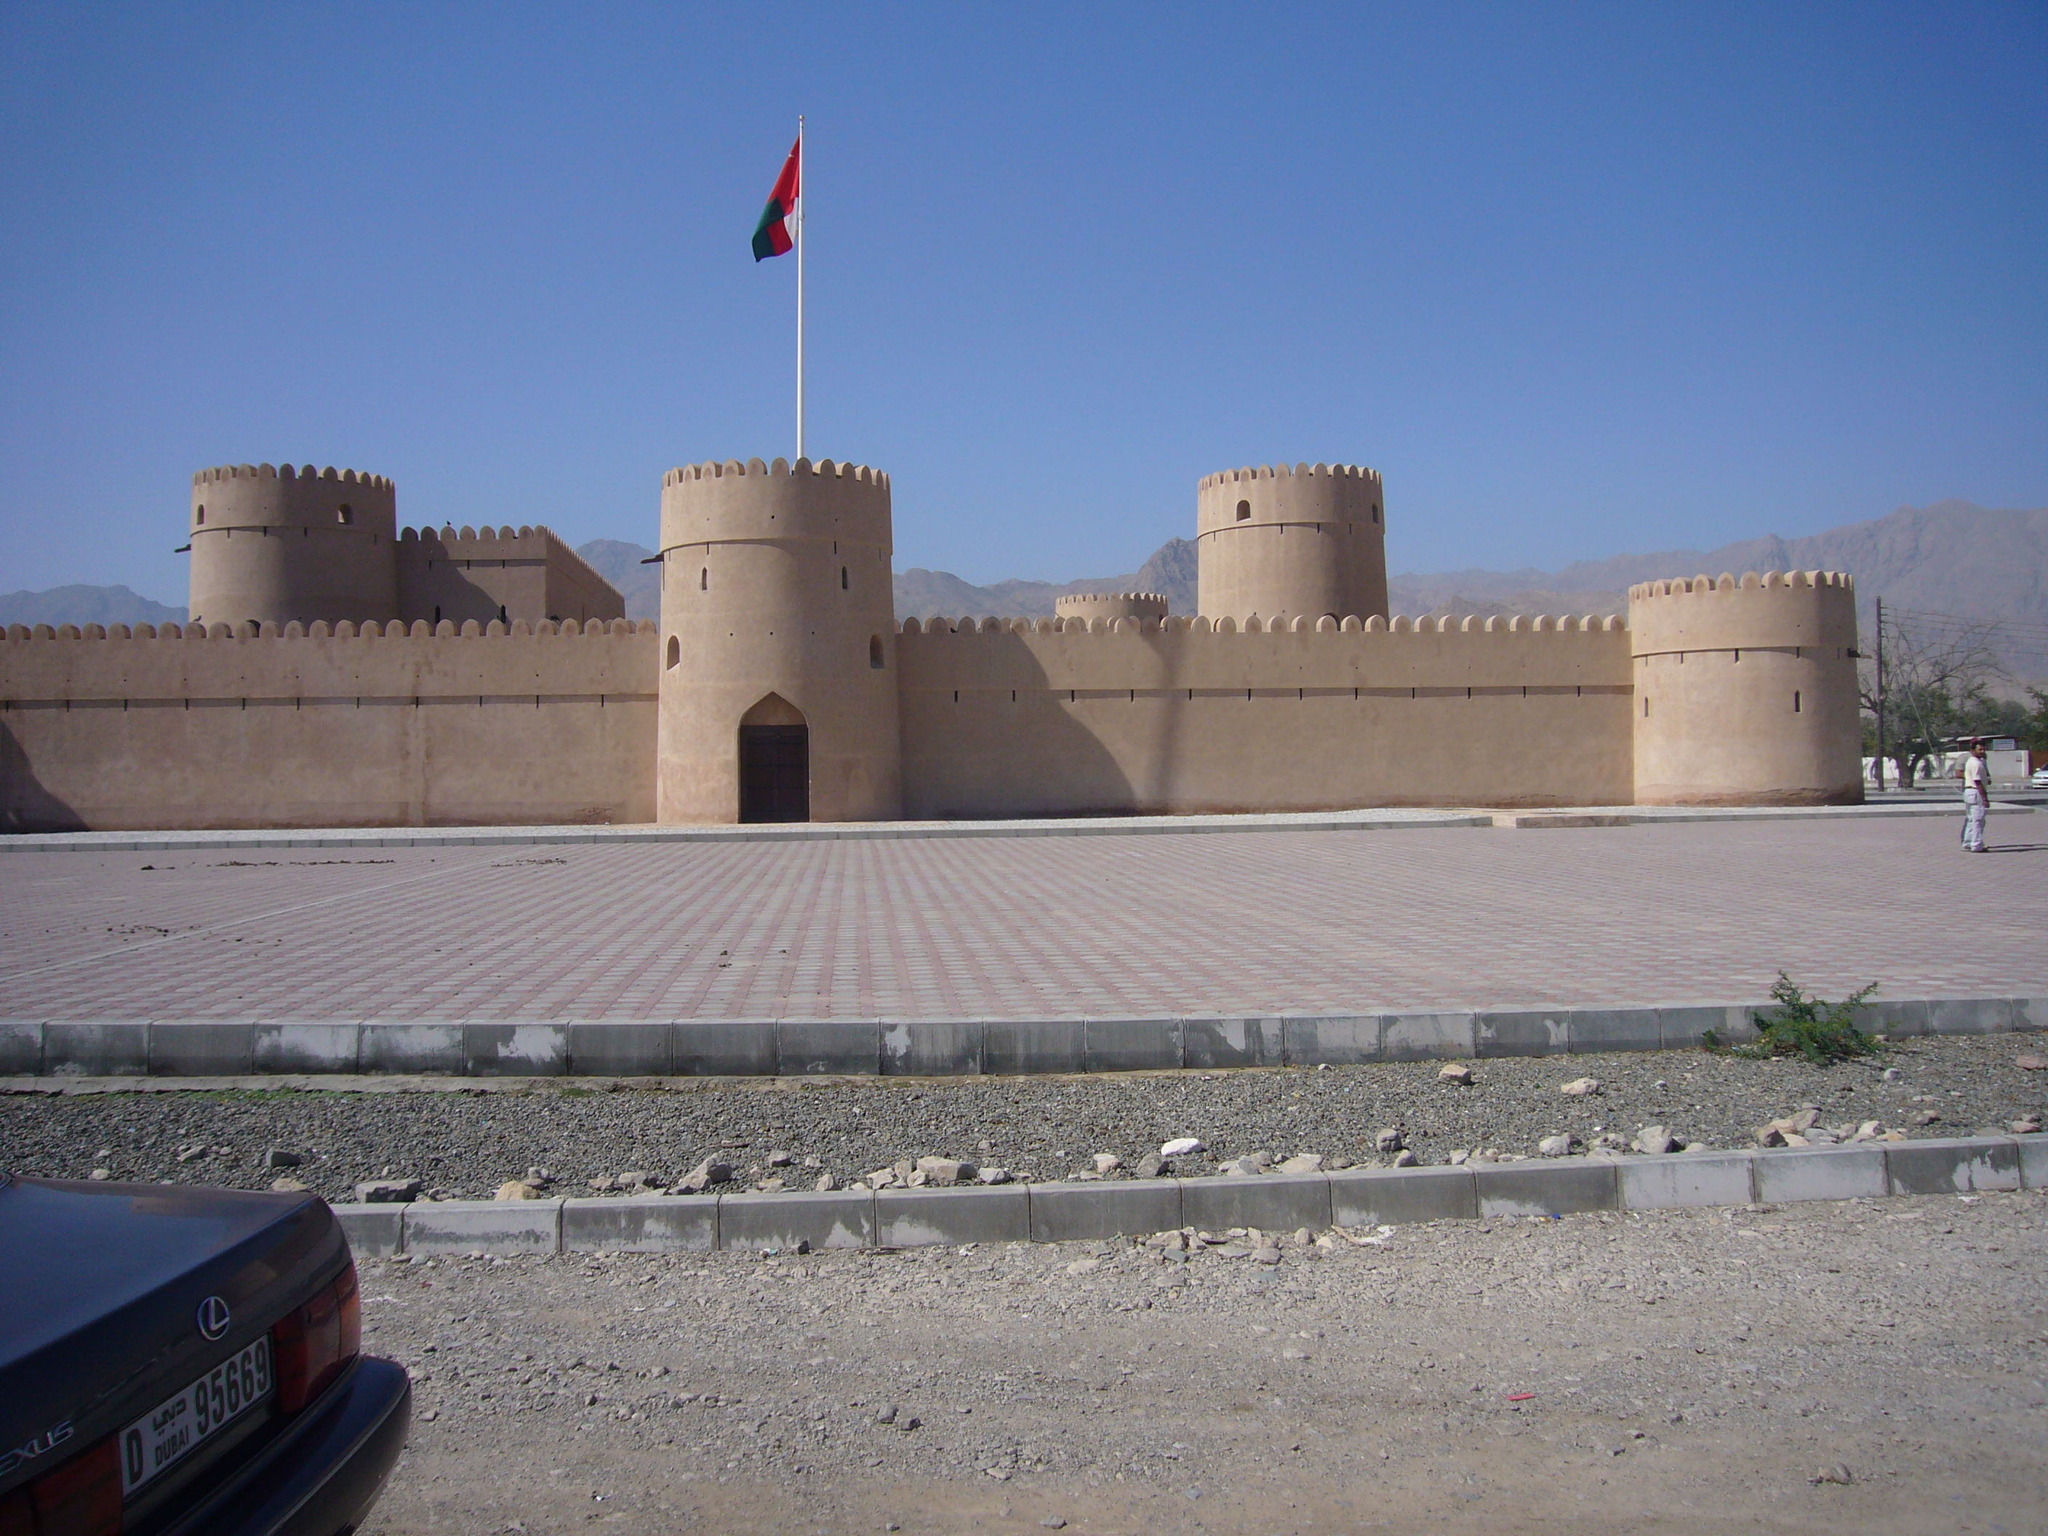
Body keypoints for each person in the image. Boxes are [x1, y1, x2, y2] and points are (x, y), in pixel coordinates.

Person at [1961, 738, 1990, 853]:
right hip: (1975, 791)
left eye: (1983, 749)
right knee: (1978, 819)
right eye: (1979, 749)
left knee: (1971, 819)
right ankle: (1976, 844)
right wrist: (1985, 798)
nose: (1982, 751)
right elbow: (1977, 781)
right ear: (1973, 750)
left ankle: (1968, 841)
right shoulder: (1976, 763)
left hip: (1969, 792)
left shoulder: (1975, 761)